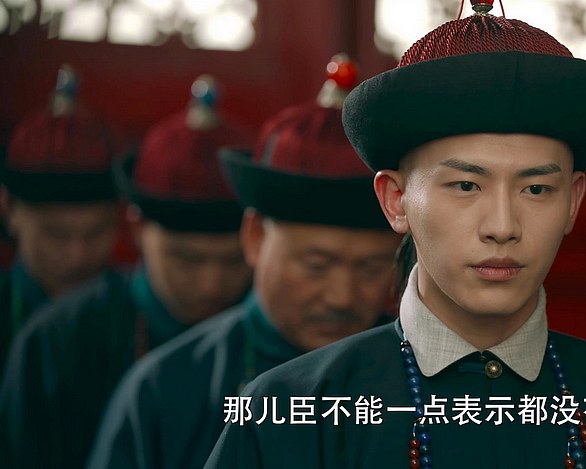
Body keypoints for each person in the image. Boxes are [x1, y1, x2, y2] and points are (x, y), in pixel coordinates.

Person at [205, 3, 586, 468]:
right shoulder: (291, 415)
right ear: (395, 200)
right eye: (465, 185)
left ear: (573, 201)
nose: (502, 227)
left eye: (536, 189)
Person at [86, 55, 402, 469]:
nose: (342, 297)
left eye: (370, 268)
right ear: (254, 237)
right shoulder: (166, 389)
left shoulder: (418, 382)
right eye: (316, 265)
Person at [0, 75, 253, 469]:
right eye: (187, 259)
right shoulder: (60, 337)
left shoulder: (274, 330)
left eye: (232, 261)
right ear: (137, 228)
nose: (211, 284)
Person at [0, 65, 121, 374]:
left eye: (97, 232)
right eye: (56, 234)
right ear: (8, 209)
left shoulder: (135, 318)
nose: (78, 256)